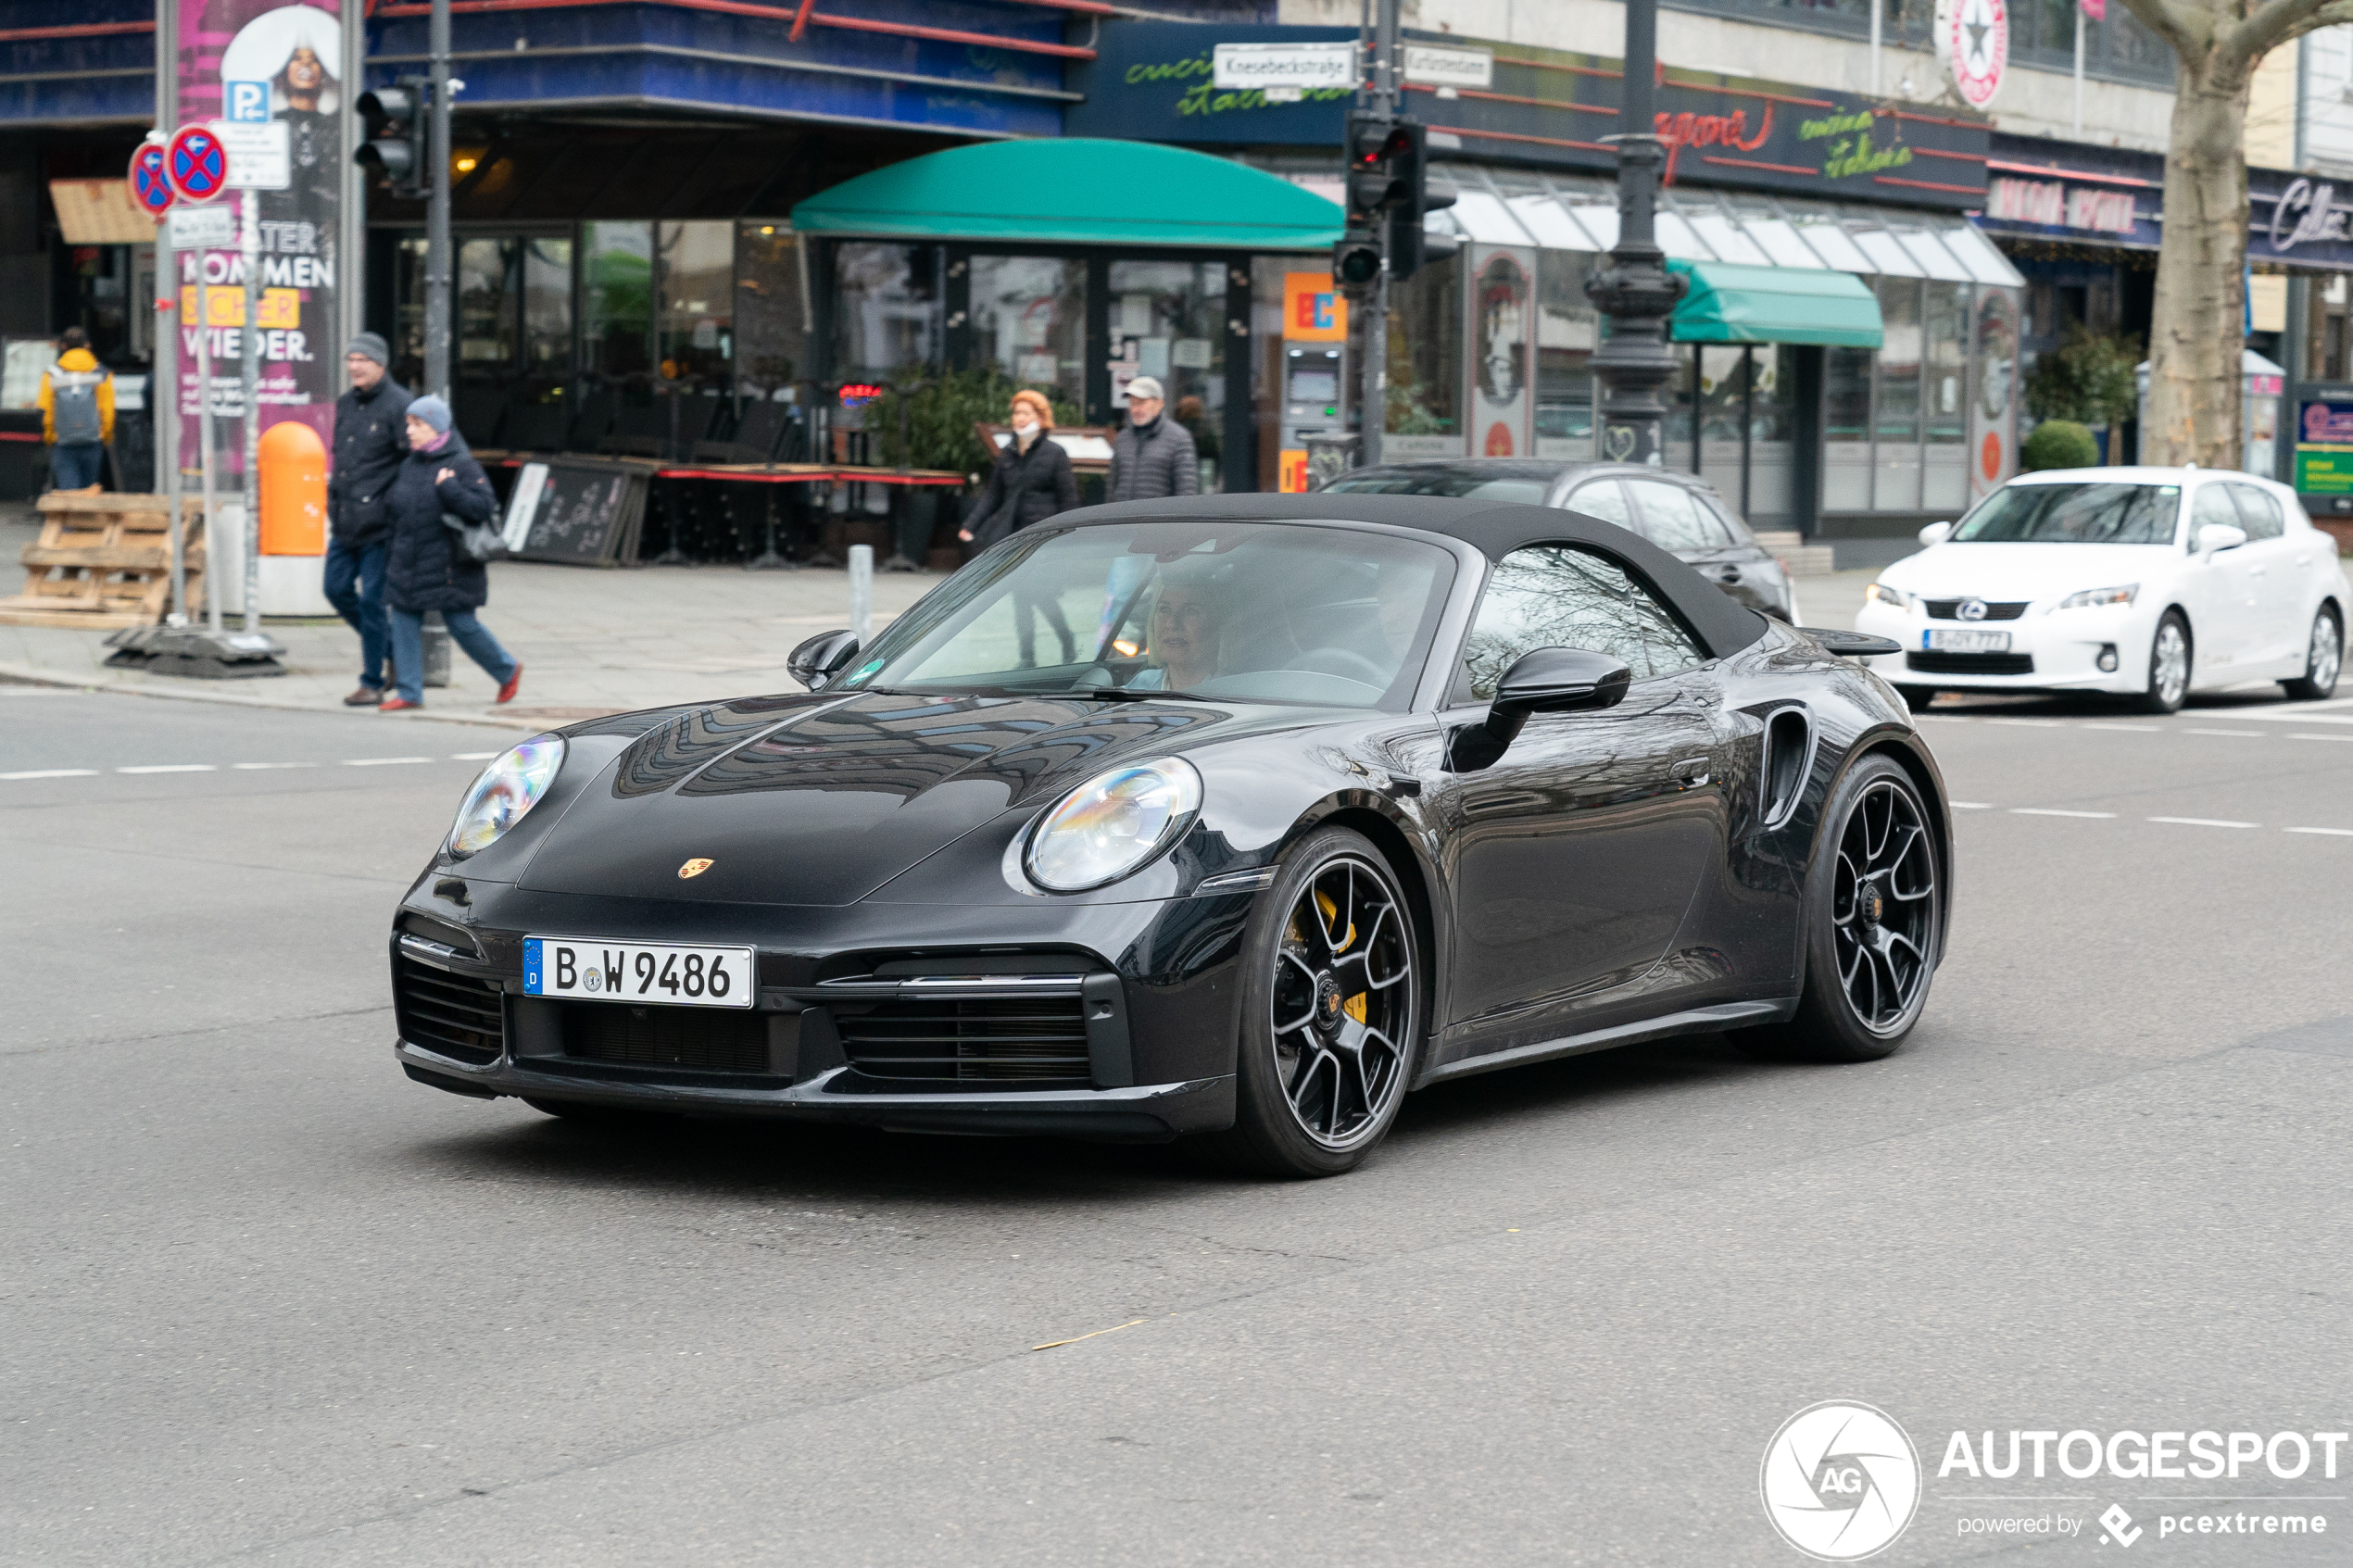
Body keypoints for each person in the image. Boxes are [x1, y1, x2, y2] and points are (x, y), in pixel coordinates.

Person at [380, 395, 522, 713]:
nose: (410, 431)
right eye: (408, 424)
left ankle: (507, 670)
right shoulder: (410, 464)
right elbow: (397, 513)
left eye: (417, 424)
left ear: (437, 428)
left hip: (450, 565)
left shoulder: (462, 464)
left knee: (462, 624)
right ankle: (409, 692)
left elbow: (483, 508)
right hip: (408, 560)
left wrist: (451, 490)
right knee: (402, 622)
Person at [960, 389, 1079, 665]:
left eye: (1026, 413)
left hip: (1045, 538)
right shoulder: (1008, 453)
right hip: (1016, 536)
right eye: (1016, 413)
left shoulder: (1055, 454)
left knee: (1040, 595)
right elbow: (993, 495)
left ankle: (1066, 639)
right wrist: (971, 525)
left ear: (1040, 417)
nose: (1020, 418)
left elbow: (1069, 500)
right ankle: (1028, 657)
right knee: (1021, 598)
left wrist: (1068, 539)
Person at [324, 332, 411, 706]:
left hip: (380, 524)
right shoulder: (345, 404)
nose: (355, 366)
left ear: (381, 364)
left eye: (363, 360)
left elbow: (410, 463)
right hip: (345, 520)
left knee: (374, 602)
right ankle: (393, 650)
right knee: (336, 589)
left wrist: (392, 504)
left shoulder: (400, 405)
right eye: (350, 359)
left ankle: (372, 681)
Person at [38, 328, 112, 493]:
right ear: (88, 345)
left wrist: (50, 437)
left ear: (63, 347)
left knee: (68, 492)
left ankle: (70, 518)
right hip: (93, 440)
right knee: (89, 491)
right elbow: (108, 411)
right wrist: (104, 437)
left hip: (62, 441)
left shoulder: (50, 375)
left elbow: (47, 411)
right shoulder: (102, 373)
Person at [1105, 375, 1199, 503]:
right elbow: (1111, 487)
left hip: (1158, 521)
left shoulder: (1179, 438)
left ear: (1159, 403)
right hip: (1122, 520)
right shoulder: (1122, 438)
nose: (1135, 409)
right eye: (1133, 403)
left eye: (1142, 403)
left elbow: (1187, 492)